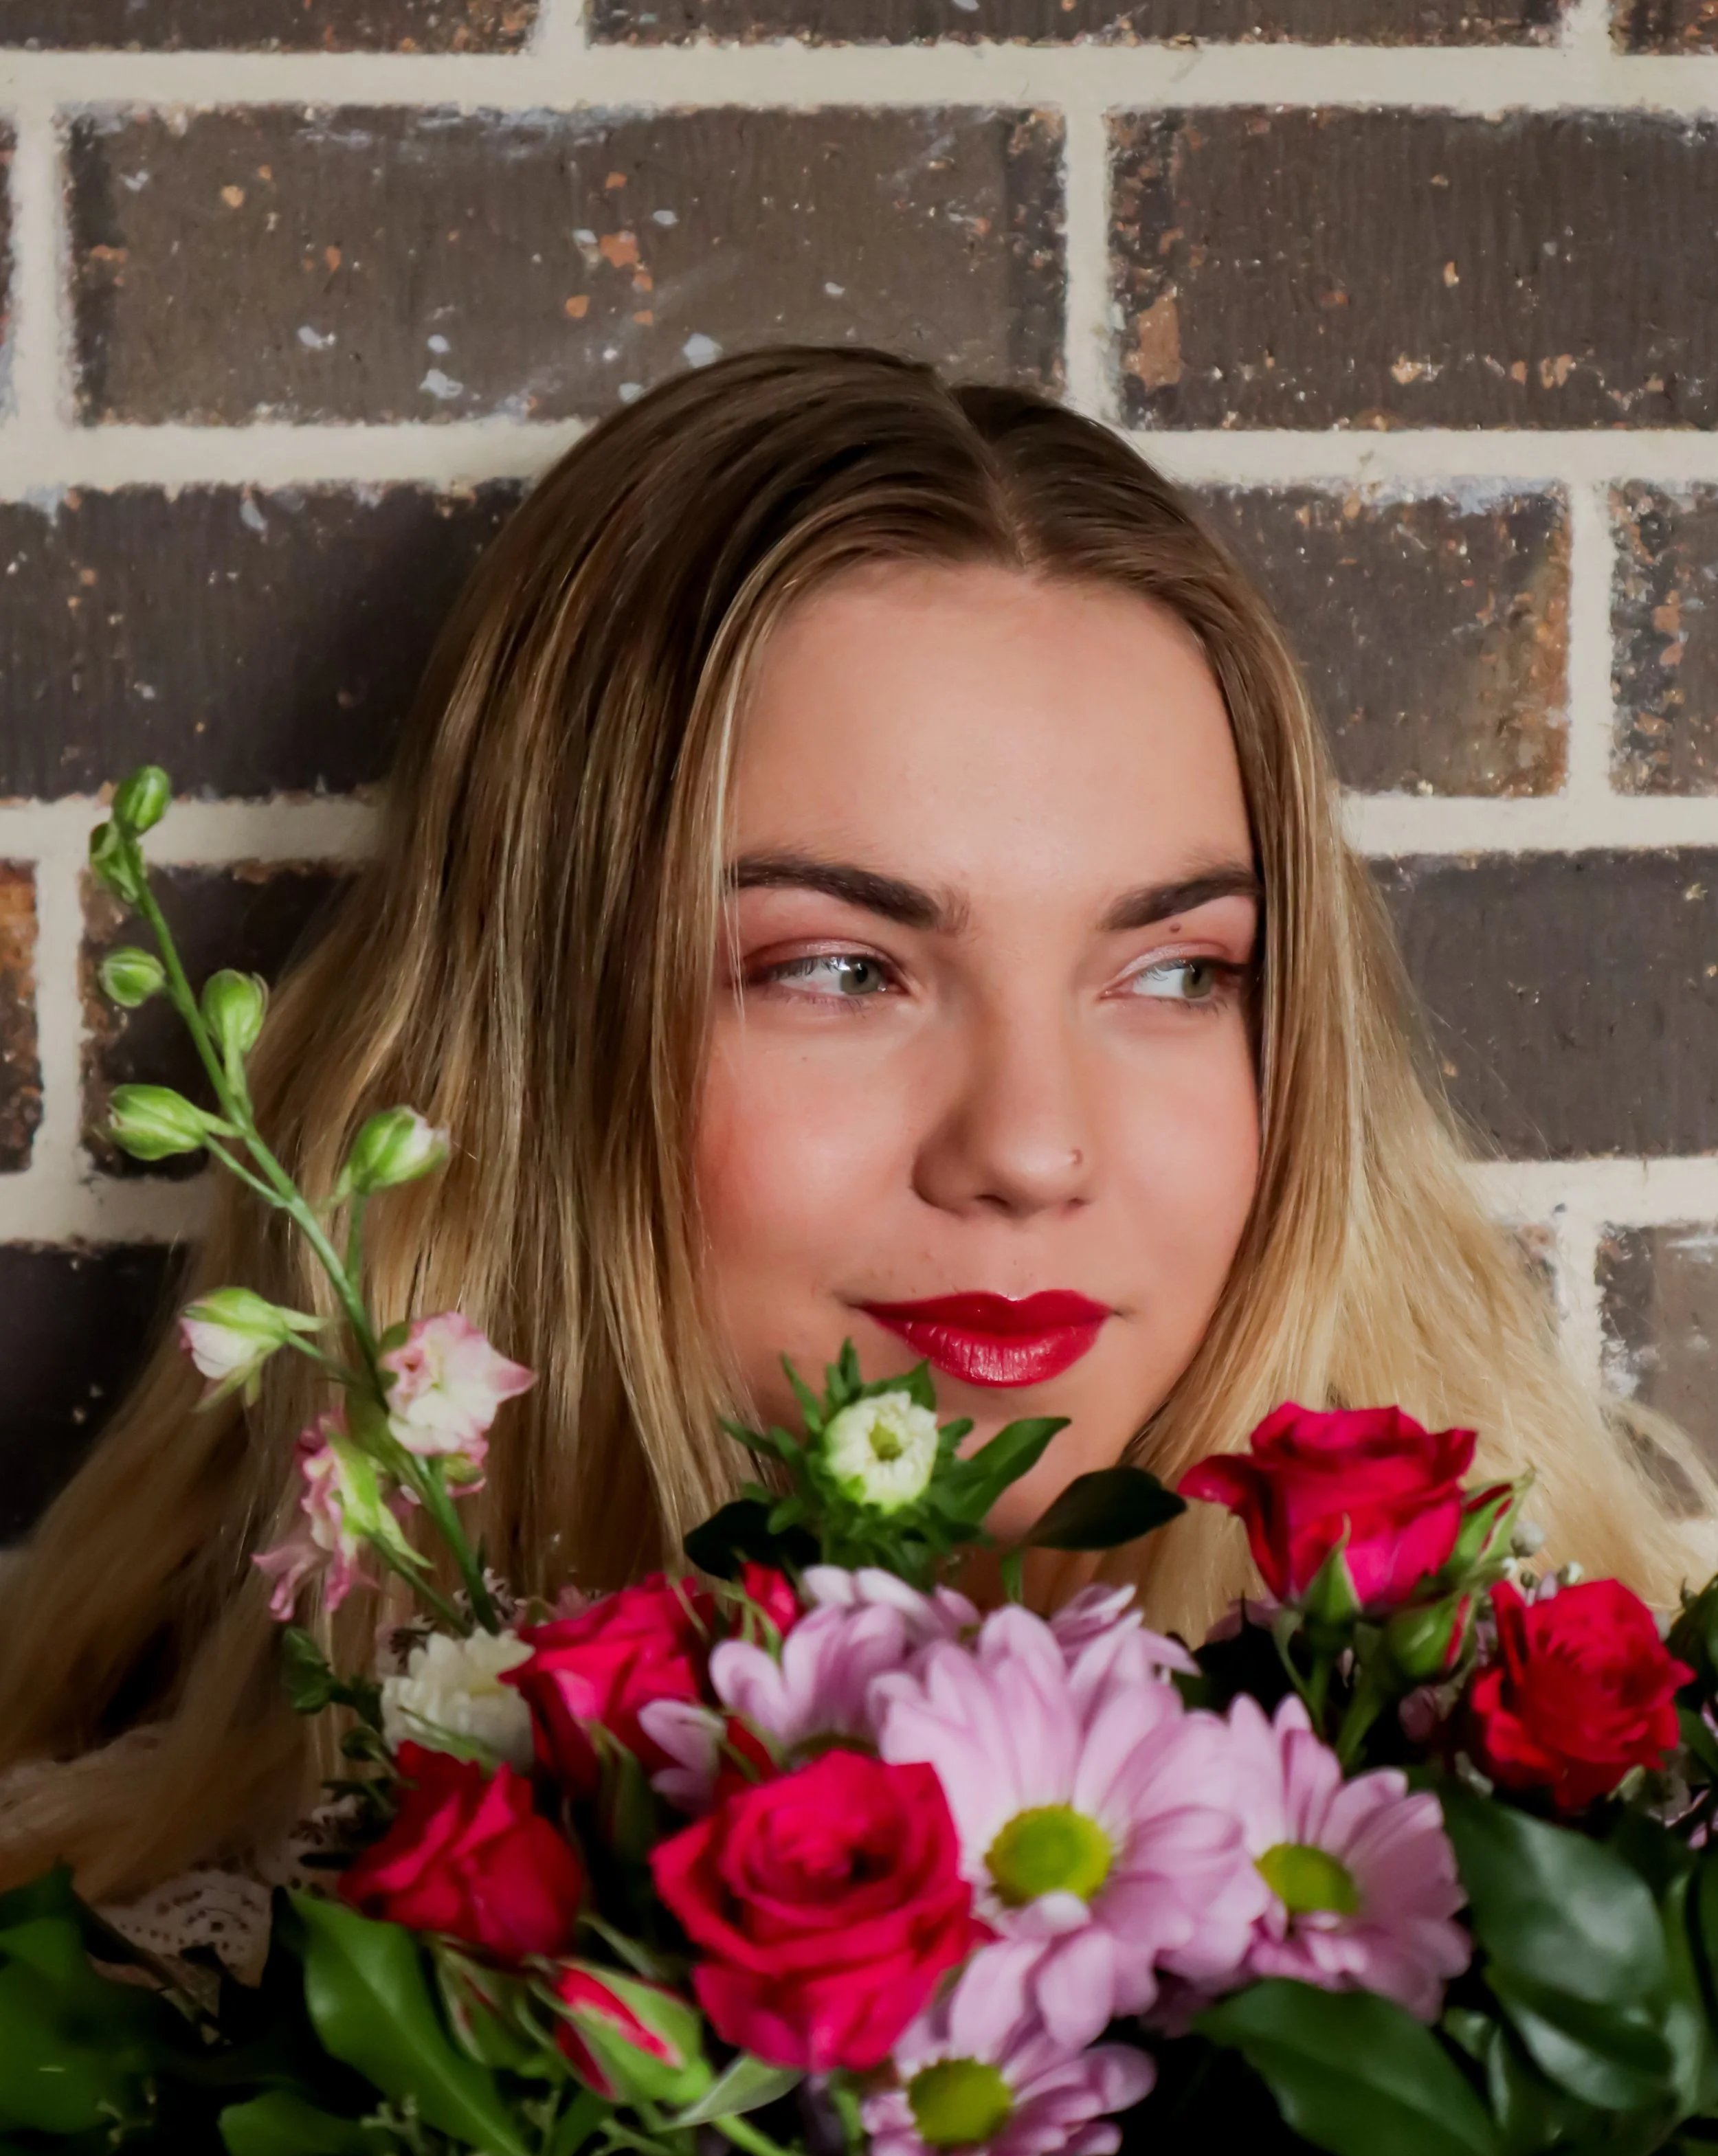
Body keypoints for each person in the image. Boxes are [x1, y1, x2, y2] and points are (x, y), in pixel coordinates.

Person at [0, 344, 1702, 1907]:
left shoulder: (1618, 1894)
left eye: (1176, 974)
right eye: (837, 969)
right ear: (539, 1047)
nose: (1031, 1149)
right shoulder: (137, 2036)